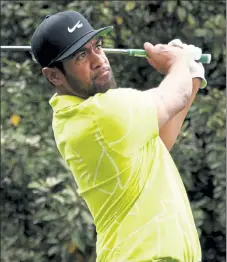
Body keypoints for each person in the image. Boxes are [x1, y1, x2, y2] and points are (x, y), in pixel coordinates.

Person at [31, 10, 207, 262]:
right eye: (81, 55)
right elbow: (173, 96)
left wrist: (192, 74)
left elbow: (159, 144)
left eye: (97, 47)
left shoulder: (78, 117)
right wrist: (179, 62)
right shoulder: (100, 114)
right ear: (54, 75)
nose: (98, 60)